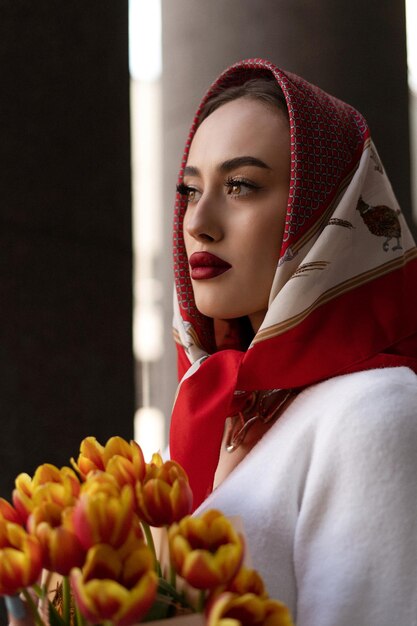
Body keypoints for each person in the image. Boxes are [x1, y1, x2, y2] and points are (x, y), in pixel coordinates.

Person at [168, 58, 417, 625]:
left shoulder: (376, 410)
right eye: (189, 189)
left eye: (241, 186)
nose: (198, 221)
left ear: (324, 214)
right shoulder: (231, 410)